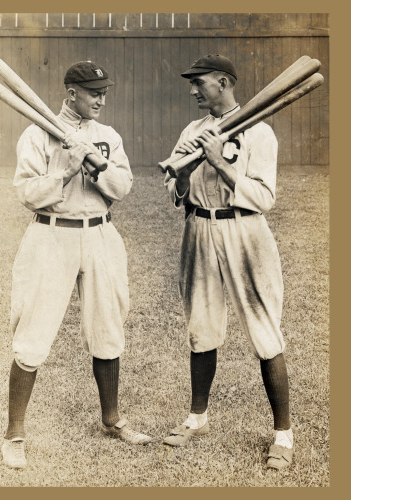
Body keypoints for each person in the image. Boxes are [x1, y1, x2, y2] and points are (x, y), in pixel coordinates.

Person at [1, 61, 152, 470]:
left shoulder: (108, 136)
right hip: (51, 234)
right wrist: (65, 172)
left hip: (101, 232)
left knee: (108, 327)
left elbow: (122, 187)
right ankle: (14, 433)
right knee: (33, 333)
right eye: (92, 92)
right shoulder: (37, 133)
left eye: (104, 91)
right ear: (71, 93)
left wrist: (95, 165)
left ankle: (112, 419)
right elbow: (27, 193)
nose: (101, 99)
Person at [163, 54, 294, 470]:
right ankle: (197, 418)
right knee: (201, 326)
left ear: (223, 82)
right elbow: (175, 189)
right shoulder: (193, 130)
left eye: (199, 83)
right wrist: (184, 173)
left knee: (264, 331)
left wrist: (218, 161)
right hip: (199, 228)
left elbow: (265, 197)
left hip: (245, 232)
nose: (193, 91)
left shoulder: (259, 131)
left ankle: (283, 435)